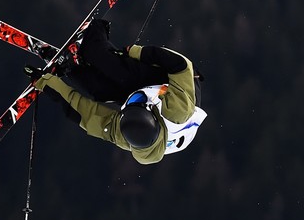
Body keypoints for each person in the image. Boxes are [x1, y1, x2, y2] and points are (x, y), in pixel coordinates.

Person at [26, 19, 207, 164]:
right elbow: (181, 66)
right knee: (115, 69)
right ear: (150, 111)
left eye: (132, 102)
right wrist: (136, 52)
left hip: (153, 95)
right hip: (177, 81)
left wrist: (46, 83)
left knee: (100, 91)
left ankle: (71, 67)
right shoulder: (177, 109)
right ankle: (94, 31)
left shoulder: (122, 134)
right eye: (136, 100)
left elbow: (84, 113)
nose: (132, 100)